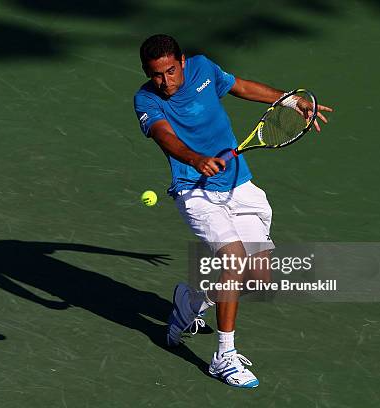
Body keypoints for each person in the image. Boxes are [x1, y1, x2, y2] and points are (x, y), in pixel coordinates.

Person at [133, 34, 333, 388]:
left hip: (240, 186)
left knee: (258, 279)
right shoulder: (146, 99)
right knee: (234, 261)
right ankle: (223, 357)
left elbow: (240, 86)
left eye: (170, 71)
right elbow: (165, 136)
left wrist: (291, 102)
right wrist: (196, 159)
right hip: (195, 192)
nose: (165, 82)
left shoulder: (204, 68)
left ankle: (190, 301)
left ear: (182, 61)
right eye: (156, 75)